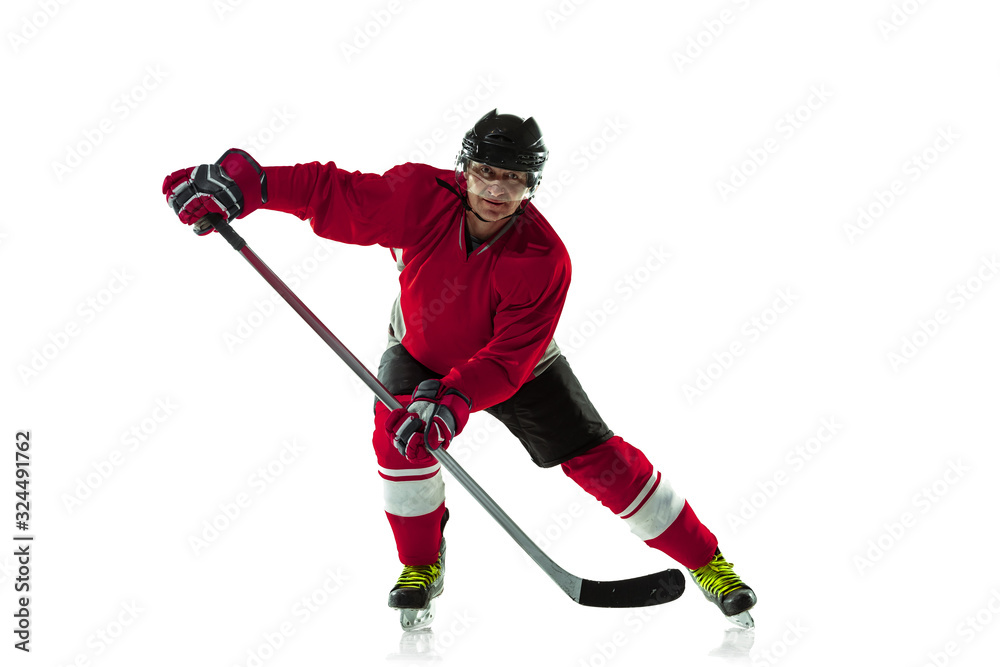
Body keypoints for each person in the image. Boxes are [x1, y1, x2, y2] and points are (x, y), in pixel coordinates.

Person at [162, 110, 757, 628]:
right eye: (488, 173)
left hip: (518, 366)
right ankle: (421, 564)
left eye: (516, 179)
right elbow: (333, 195)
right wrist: (253, 185)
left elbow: (506, 358)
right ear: (465, 168)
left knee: (598, 460)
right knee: (400, 444)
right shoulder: (419, 196)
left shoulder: (545, 258)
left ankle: (711, 565)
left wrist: (453, 400)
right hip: (419, 348)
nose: (498, 190)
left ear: (533, 186)